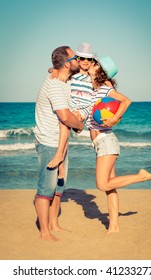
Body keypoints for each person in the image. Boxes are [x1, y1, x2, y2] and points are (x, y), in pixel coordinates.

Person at [86, 56, 151, 233]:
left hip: (106, 140)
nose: (91, 64)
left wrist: (114, 118)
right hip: (101, 143)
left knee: (102, 184)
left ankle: (141, 176)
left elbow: (126, 101)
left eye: (95, 64)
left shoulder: (105, 88)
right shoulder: (94, 88)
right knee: (110, 187)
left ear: (101, 71)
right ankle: (114, 226)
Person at [33, 46, 84, 241]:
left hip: (59, 142)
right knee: (46, 188)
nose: (78, 59)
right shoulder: (55, 85)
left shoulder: (64, 80)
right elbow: (64, 116)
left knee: (59, 186)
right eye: (75, 57)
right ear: (66, 63)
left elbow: (57, 70)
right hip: (49, 142)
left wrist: (52, 68)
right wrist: (79, 125)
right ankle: (44, 232)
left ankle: (54, 224)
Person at [47, 43, 95, 190]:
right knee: (65, 126)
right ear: (77, 60)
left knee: (65, 123)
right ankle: (61, 163)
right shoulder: (73, 74)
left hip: (84, 108)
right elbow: (56, 69)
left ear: (93, 61)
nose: (86, 61)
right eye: (82, 58)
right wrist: (53, 70)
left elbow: (104, 85)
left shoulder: (93, 76)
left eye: (89, 59)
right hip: (72, 104)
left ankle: (59, 155)